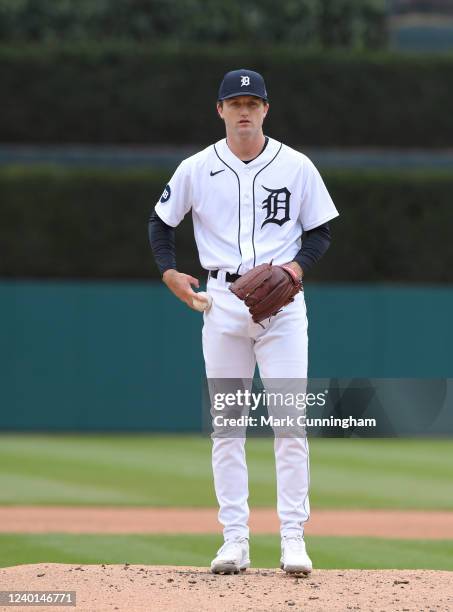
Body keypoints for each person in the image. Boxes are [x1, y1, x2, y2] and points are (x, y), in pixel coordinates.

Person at [149, 69, 339, 575]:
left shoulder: (296, 166)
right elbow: (160, 222)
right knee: (228, 428)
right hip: (222, 303)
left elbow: (319, 233)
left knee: (290, 425)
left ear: (266, 109)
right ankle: (234, 540)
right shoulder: (195, 168)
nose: (244, 110)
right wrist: (169, 272)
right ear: (220, 110)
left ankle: (293, 539)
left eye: (252, 102)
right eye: (235, 102)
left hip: (282, 306)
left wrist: (293, 269)